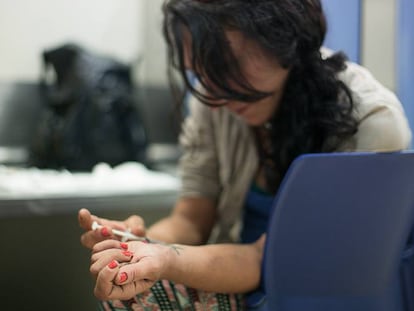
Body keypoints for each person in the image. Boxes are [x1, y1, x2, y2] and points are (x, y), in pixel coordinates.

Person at [78, 0, 412, 310]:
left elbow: (268, 260)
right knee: (132, 291)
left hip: (318, 292)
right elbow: (192, 218)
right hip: (238, 279)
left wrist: (166, 258)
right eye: (201, 69)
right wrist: (137, 244)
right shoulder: (216, 100)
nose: (214, 88)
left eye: (225, 63)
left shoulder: (368, 119)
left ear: (281, 36)